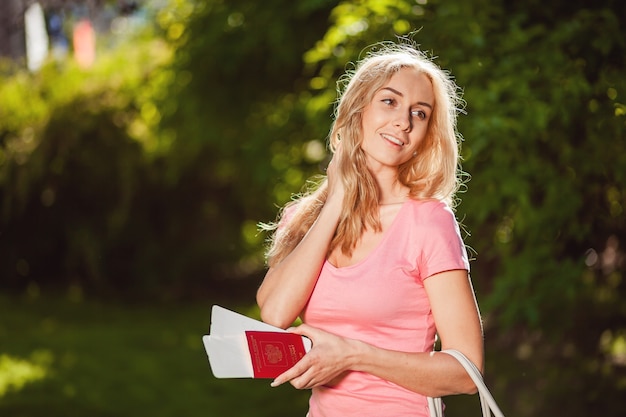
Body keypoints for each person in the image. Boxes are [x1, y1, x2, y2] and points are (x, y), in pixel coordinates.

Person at [256, 41, 484, 417]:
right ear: (358, 108)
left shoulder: (427, 221)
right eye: (390, 101)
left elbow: (466, 372)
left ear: (427, 135)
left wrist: (351, 355)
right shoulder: (306, 215)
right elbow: (276, 314)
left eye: (420, 113)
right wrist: (335, 203)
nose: (404, 122)